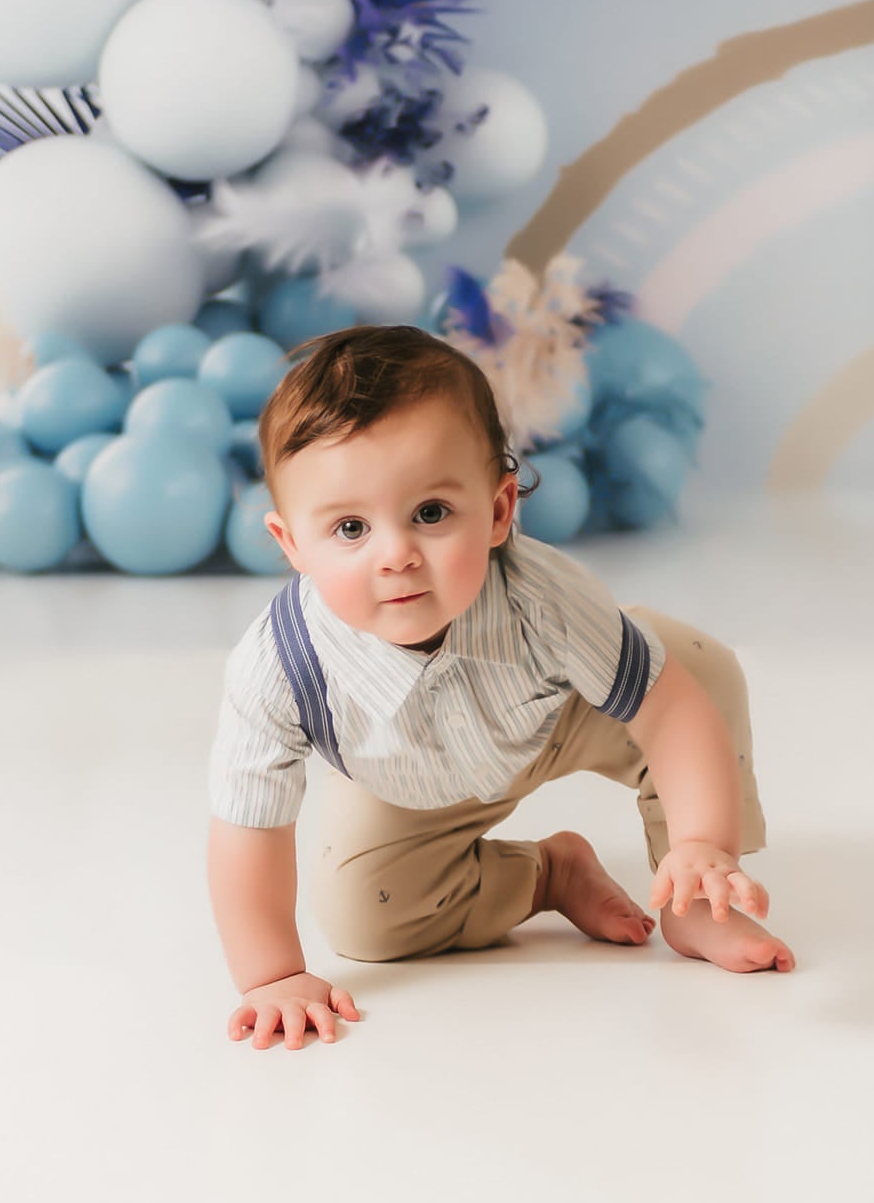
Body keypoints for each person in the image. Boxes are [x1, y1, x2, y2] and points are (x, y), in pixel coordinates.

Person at [206, 322, 795, 1051]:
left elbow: (669, 714)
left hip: (562, 711)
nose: (396, 555)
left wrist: (704, 839)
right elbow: (247, 827)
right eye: (350, 528)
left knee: (694, 673)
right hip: (406, 775)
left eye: (429, 514)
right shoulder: (280, 664)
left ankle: (694, 898)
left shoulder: (539, 595)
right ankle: (549, 875)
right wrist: (270, 976)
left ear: (497, 510)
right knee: (366, 917)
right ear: (290, 544)